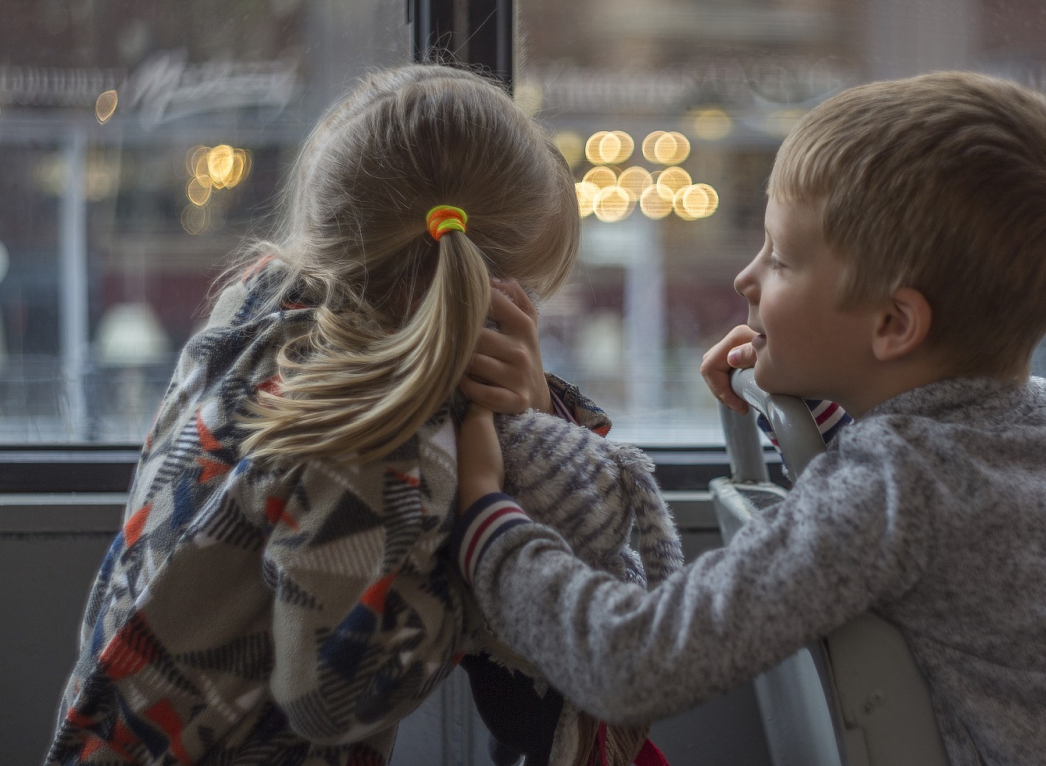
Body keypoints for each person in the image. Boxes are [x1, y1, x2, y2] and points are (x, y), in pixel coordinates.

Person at [453, 71, 1046, 766]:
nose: (745, 280)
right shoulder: (1043, 419)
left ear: (895, 324)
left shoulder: (892, 491)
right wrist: (814, 406)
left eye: (780, 260)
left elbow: (632, 663)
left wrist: (490, 522)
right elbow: (934, 461)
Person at [45, 64, 670, 766]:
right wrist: (480, 555)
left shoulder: (258, 304)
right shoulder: (387, 435)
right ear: (487, 306)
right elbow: (328, 698)